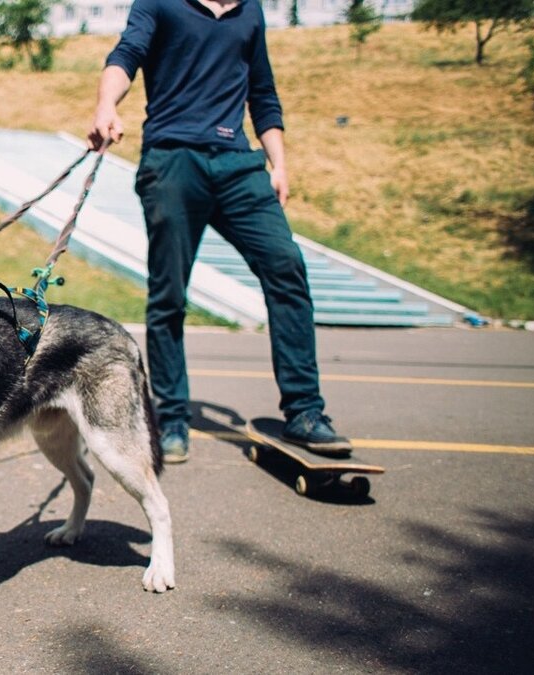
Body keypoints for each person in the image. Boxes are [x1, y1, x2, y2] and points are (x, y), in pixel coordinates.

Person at [88, 0, 350, 463]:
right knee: (169, 296)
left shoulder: (249, 11)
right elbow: (126, 55)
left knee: (286, 266)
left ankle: (305, 411)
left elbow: (262, 92)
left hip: (238, 165)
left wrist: (280, 163)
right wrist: (106, 104)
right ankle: (170, 416)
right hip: (173, 160)